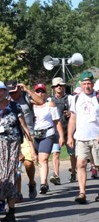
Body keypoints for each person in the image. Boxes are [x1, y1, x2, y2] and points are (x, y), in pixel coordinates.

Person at [0, 82, 35, 222]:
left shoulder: (14, 106)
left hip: (12, 145)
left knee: (9, 176)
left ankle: (11, 211)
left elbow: (24, 127)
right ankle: (1, 198)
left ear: (6, 92)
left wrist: (31, 148)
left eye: (1, 91)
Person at [7, 79, 45, 198]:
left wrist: (27, 89)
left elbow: (40, 101)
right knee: (16, 165)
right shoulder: (6, 101)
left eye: (14, 91)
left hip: (28, 134)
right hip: (12, 135)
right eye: (10, 92)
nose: (12, 94)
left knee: (28, 163)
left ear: (19, 88)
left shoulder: (26, 97)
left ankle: (32, 182)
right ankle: (17, 193)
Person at [67, 71, 99, 204]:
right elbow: (73, 118)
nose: (87, 86)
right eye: (84, 83)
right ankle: (82, 193)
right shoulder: (75, 99)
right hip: (81, 137)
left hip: (96, 136)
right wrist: (69, 136)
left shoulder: (97, 97)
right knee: (81, 163)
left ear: (93, 84)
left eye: (89, 83)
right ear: (80, 84)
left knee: (97, 165)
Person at [32, 83, 65, 195]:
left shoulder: (49, 104)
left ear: (46, 93)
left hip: (48, 133)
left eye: (42, 91)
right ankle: (35, 182)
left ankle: (43, 184)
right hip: (34, 135)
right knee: (33, 161)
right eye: (38, 91)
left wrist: (61, 136)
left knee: (43, 159)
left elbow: (56, 121)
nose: (40, 93)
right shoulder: (30, 105)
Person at [49, 77, 77, 183]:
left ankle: (73, 173)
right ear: (53, 88)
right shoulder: (50, 100)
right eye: (57, 85)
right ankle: (56, 176)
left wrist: (70, 113)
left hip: (69, 130)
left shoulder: (70, 98)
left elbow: (76, 112)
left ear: (64, 86)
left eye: (61, 85)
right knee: (55, 153)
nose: (59, 87)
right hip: (56, 131)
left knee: (72, 153)